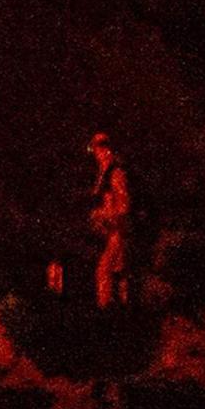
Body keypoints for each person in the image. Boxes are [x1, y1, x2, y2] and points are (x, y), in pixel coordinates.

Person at [86, 131, 137, 309]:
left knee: (107, 272)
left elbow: (123, 206)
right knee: (115, 273)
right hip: (107, 233)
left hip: (117, 232)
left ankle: (109, 314)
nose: (97, 154)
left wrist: (103, 215)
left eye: (99, 149)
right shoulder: (104, 173)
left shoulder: (115, 173)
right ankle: (115, 312)